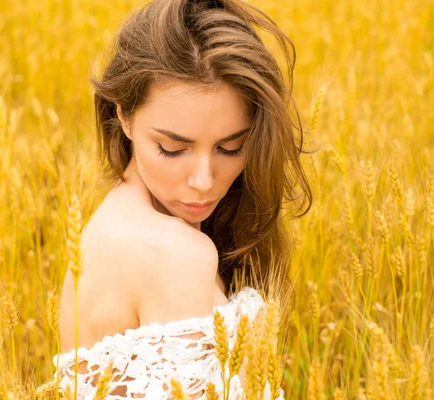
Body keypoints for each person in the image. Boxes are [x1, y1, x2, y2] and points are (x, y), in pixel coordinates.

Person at [54, 0, 311, 398]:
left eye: (231, 147)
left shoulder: (108, 223)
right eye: (173, 148)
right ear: (123, 116)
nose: (204, 181)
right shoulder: (176, 253)